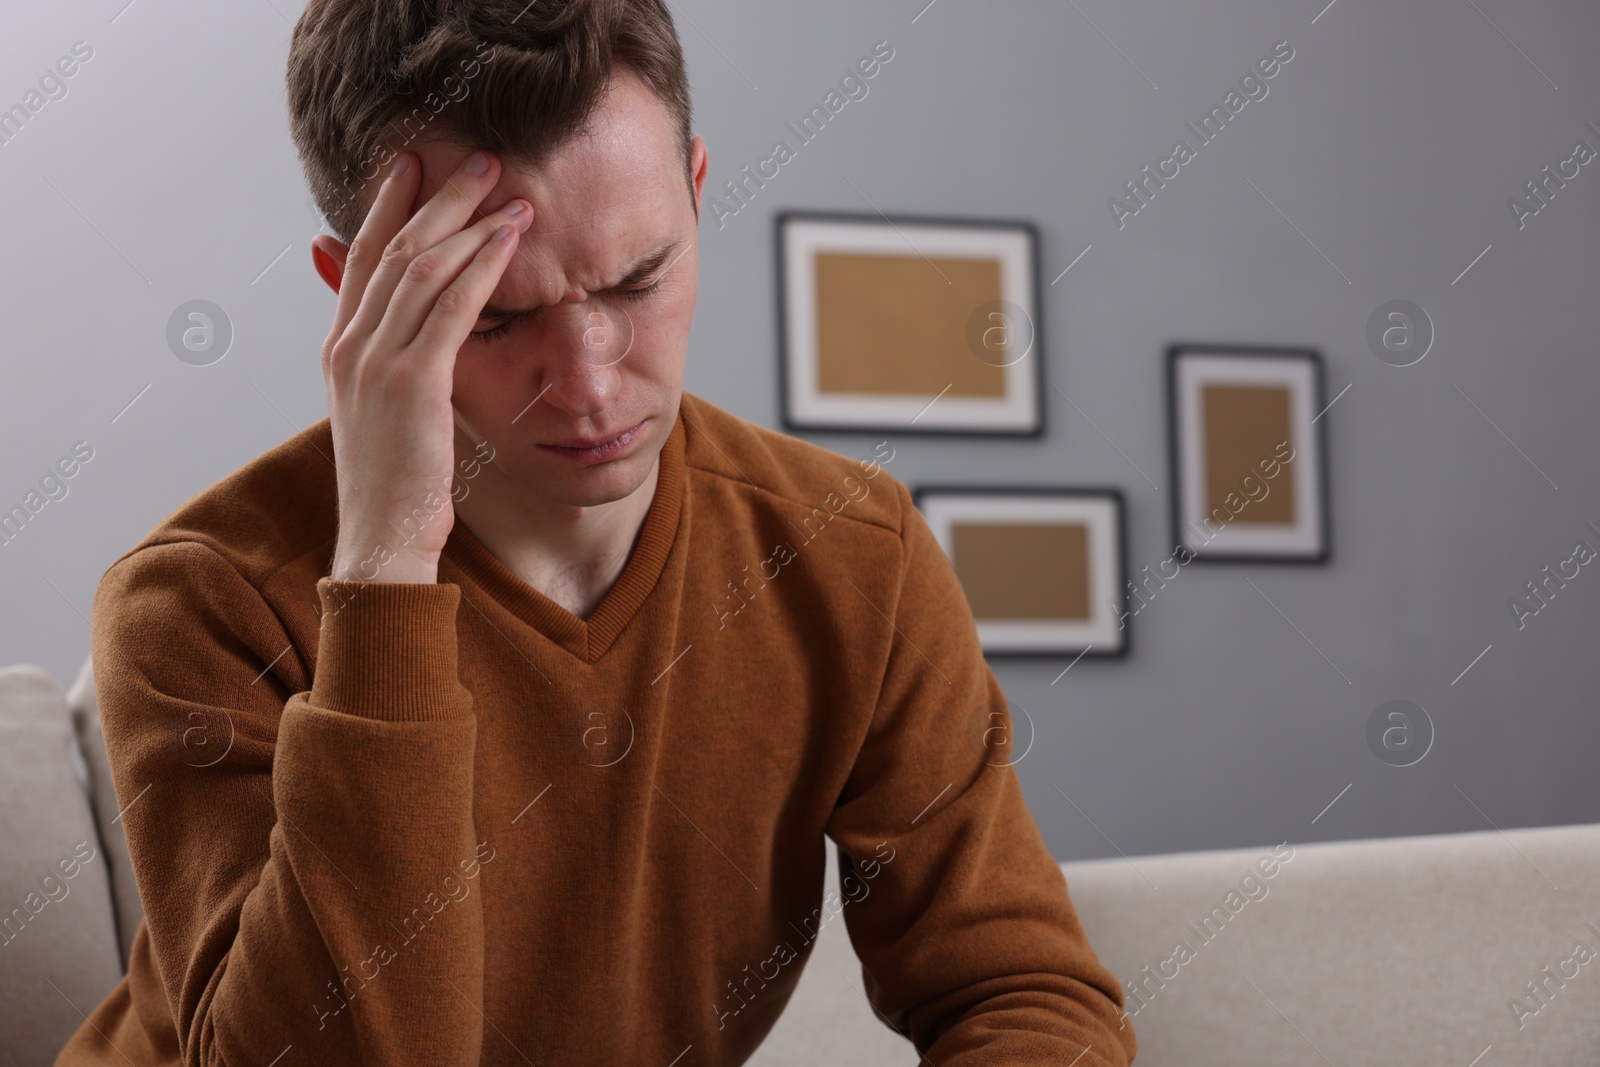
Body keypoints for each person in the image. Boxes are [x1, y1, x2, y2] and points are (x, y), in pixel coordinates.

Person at [55, 1, 1137, 1063]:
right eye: (495, 315)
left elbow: (1017, 985)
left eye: (640, 278)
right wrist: (385, 565)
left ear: (699, 195)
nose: (587, 383)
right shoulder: (194, 602)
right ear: (355, 301)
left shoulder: (853, 554)